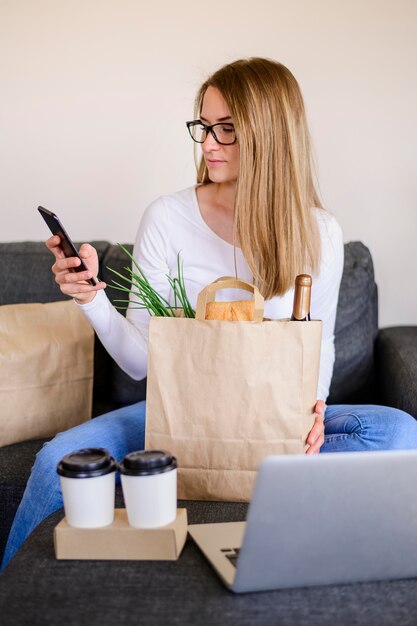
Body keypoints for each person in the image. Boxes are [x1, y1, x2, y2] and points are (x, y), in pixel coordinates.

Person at [2, 57, 417, 571]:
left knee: (399, 433)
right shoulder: (168, 218)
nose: (208, 144)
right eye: (203, 126)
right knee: (55, 462)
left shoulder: (319, 233)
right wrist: (92, 300)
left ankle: (248, 481)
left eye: (227, 129)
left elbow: (322, 341)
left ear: (271, 135)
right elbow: (138, 363)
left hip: (275, 417)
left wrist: (312, 408)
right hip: (178, 416)